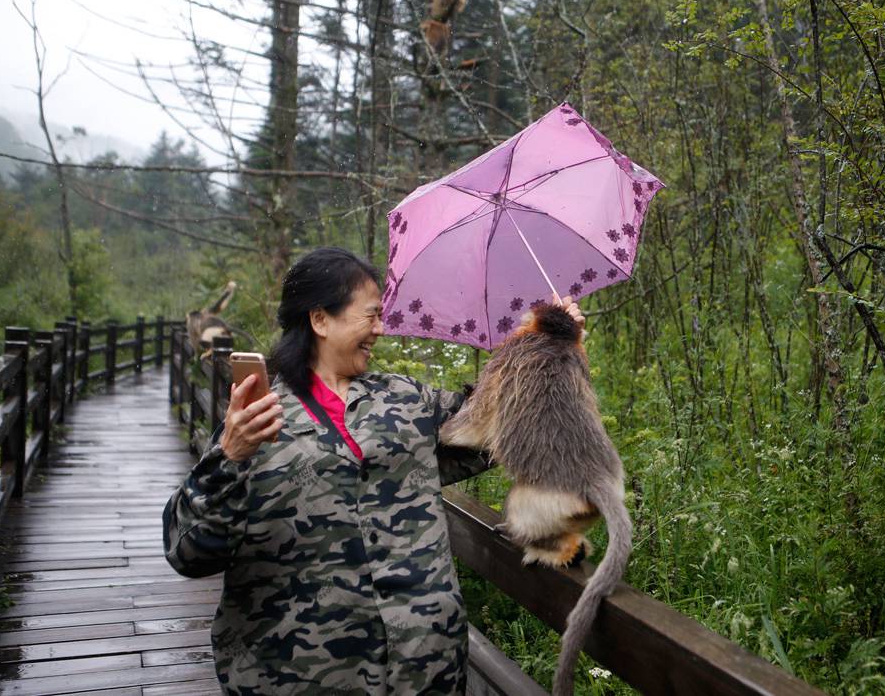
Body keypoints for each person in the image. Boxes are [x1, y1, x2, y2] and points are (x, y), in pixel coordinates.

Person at [163, 247, 584, 695]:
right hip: (297, 678)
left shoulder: (405, 400)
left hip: (426, 673)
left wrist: (551, 343)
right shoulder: (257, 421)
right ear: (320, 319)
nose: (381, 329)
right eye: (371, 316)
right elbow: (187, 552)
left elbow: (504, 428)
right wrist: (229, 456)